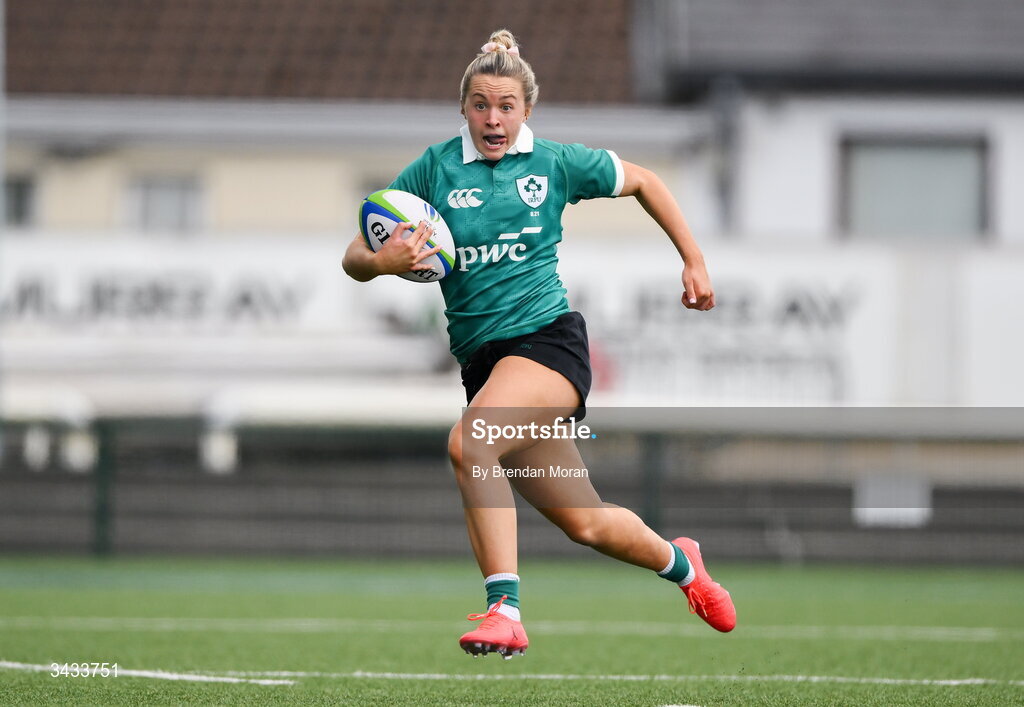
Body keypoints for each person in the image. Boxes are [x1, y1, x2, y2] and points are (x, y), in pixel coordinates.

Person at [343, 29, 735, 659]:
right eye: (479, 104)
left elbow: (646, 182)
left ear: (526, 110)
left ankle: (505, 608)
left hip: (548, 346)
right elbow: (354, 256)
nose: (492, 118)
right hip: (485, 368)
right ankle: (684, 564)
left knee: (470, 443)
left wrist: (694, 261)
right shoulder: (434, 169)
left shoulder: (554, 163)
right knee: (587, 521)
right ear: (463, 107)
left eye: (505, 106)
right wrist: (384, 262)